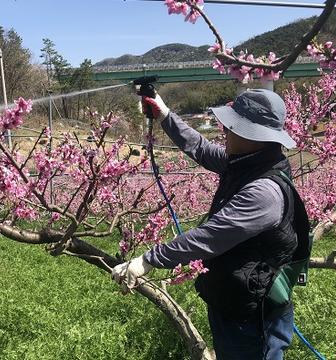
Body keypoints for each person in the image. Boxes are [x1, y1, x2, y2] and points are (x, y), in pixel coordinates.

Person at [112, 88, 307, 360]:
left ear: (251, 134)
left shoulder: (264, 191)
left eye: (231, 126)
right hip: (233, 302)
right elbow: (201, 148)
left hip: (253, 318)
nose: (225, 131)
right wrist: (165, 114)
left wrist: (148, 259)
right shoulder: (246, 161)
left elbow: (208, 237)